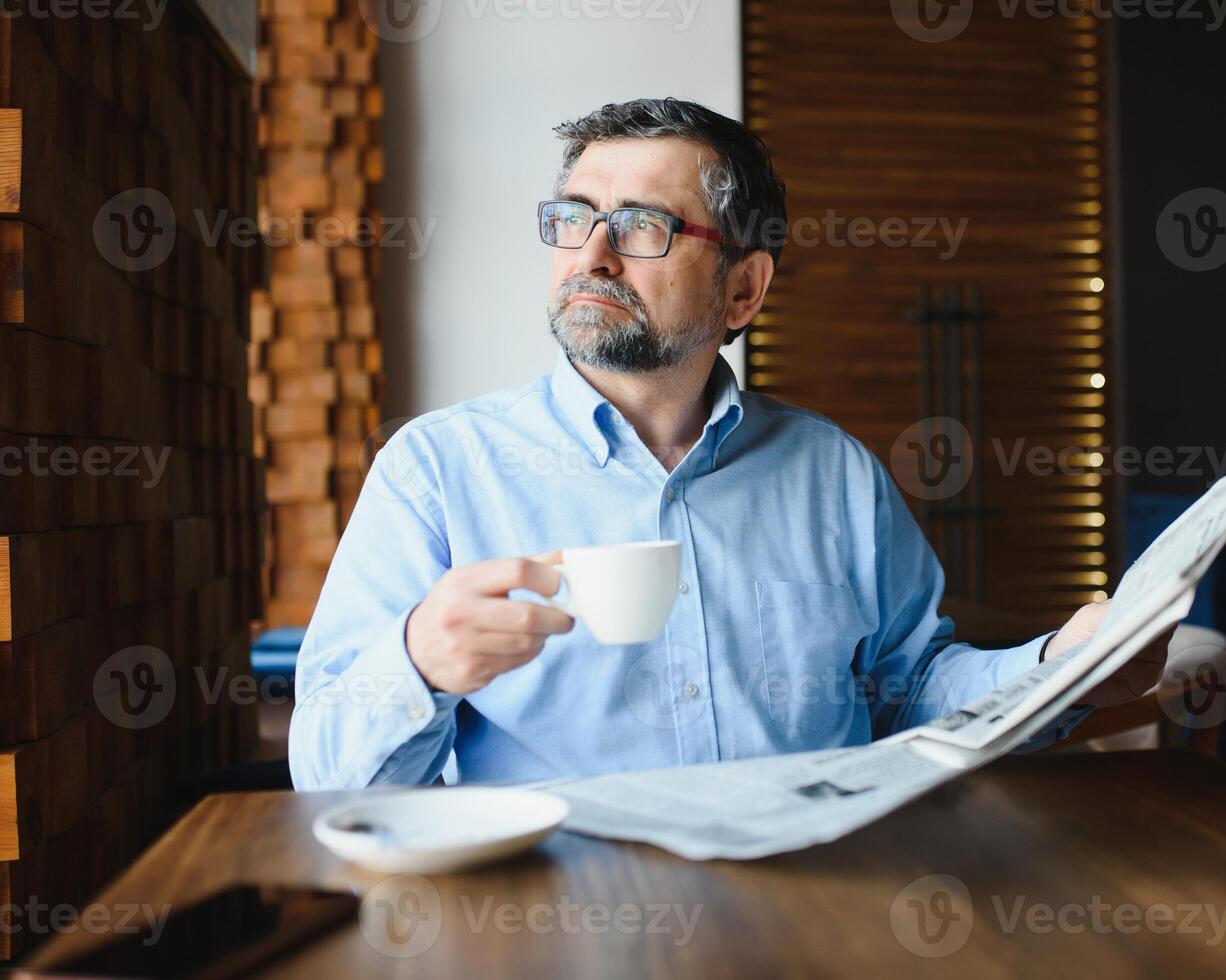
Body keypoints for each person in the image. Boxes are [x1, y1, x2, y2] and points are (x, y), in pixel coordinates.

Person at [288, 98, 1167, 790]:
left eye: (641, 227)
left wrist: (1064, 666)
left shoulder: (835, 474)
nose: (591, 255)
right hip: (553, 922)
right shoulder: (436, 471)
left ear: (742, 290)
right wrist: (417, 665)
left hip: (812, 907)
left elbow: (914, 696)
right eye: (574, 217)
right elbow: (325, 776)